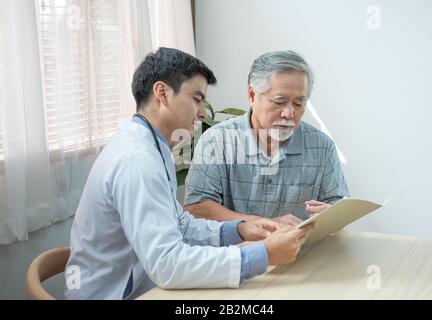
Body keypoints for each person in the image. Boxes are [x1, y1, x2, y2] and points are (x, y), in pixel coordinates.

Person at [64, 47, 314, 300]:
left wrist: (240, 229)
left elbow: (179, 223)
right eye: (196, 98)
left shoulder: (151, 147)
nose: (204, 112)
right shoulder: (136, 160)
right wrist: (263, 255)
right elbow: (168, 264)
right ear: (162, 93)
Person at [184, 50, 349, 226]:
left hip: (300, 251)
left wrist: (333, 214)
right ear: (252, 95)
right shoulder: (217, 140)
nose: (289, 113)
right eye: (279, 102)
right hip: (234, 251)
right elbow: (197, 208)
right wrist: (265, 223)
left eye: (299, 103)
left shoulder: (321, 146)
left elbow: (339, 205)